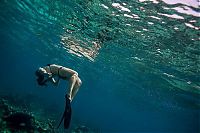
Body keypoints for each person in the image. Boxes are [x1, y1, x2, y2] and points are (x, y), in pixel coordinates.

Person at [35, 64, 82, 129]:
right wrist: (46, 74)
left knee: (79, 82)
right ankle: (69, 94)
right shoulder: (43, 70)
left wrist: (58, 77)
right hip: (60, 71)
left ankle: (70, 99)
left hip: (61, 74)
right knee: (75, 74)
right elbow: (40, 69)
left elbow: (55, 84)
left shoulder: (48, 75)